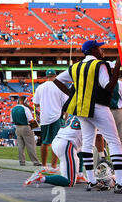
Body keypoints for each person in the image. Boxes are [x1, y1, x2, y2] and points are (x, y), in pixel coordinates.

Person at [54, 40, 122, 193]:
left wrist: (73, 95)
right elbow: (108, 86)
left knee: (87, 143)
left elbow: (57, 80)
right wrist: (118, 65)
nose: (102, 51)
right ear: (93, 50)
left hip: (81, 109)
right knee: (114, 141)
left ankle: (91, 181)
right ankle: (120, 182)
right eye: (100, 48)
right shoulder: (100, 65)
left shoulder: (76, 66)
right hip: (98, 107)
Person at [24, 115, 88, 187]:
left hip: (60, 140)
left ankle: (79, 175)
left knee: (78, 154)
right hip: (67, 144)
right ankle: (41, 178)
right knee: (69, 181)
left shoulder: (75, 112)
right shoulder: (91, 115)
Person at [33, 69, 68, 173]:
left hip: (44, 118)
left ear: (46, 76)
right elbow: (66, 104)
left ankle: (44, 166)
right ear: (55, 75)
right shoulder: (60, 86)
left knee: (44, 142)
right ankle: (53, 166)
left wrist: (45, 103)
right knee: (56, 142)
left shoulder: (40, 87)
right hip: (57, 117)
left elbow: (36, 103)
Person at [11, 96, 41, 166]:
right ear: (24, 101)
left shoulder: (13, 109)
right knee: (31, 145)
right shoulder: (25, 109)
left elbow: (12, 121)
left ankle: (22, 161)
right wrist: (36, 126)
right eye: (27, 101)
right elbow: (31, 120)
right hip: (26, 127)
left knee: (20, 146)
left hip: (17, 128)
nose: (27, 103)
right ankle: (35, 162)